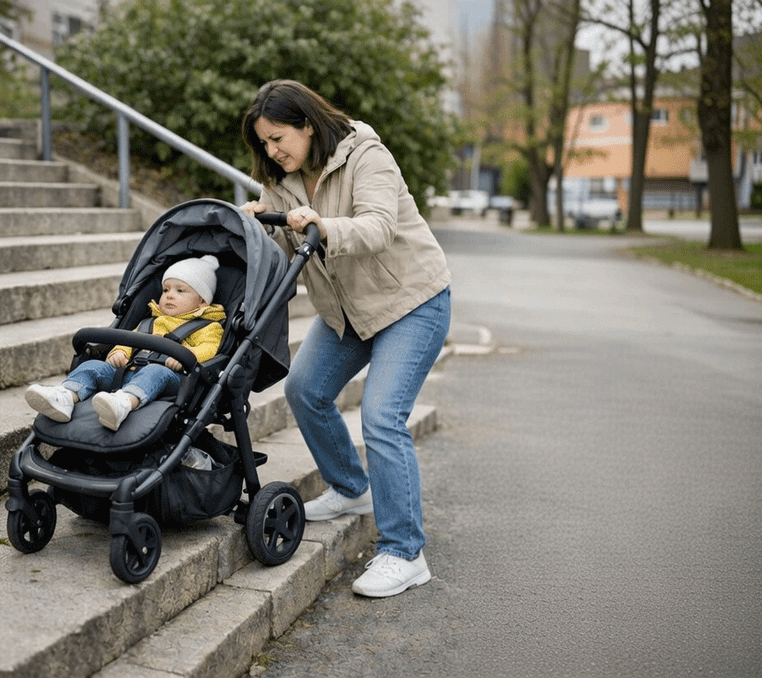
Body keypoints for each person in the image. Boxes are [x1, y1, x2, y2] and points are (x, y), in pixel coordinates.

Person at [239, 80, 452, 598]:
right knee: (304, 389)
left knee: (381, 416)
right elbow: (281, 239)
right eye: (264, 143)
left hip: (411, 303)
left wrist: (323, 224)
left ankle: (405, 552)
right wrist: (255, 223)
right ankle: (352, 489)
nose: (272, 151)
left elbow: (377, 227)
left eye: (279, 137)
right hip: (348, 313)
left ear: (308, 124)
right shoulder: (282, 178)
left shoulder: (366, 154)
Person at [25, 255, 226, 431]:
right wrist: (120, 351)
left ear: (202, 302)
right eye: (166, 290)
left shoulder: (207, 327)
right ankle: (66, 396)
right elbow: (131, 341)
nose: (170, 295)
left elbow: (209, 348)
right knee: (93, 366)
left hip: (171, 378)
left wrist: (185, 356)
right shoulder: (150, 321)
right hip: (128, 373)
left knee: (154, 372)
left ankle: (123, 404)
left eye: (181, 291)